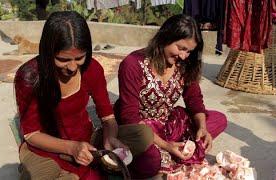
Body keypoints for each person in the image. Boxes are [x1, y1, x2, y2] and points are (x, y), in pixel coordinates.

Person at [14, 11, 153, 180]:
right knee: (35, 176)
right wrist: (71, 148)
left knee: (143, 135)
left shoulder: (92, 69)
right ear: (48, 52)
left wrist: (110, 139)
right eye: (63, 59)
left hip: (87, 140)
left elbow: (108, 117)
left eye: (79, 58)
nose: (72, 68)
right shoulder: (29, 76)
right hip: (45, 148)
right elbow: (32, 134)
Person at [114, 14, 228, 178]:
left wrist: (202, 128)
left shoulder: (184, 65)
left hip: (166, 125)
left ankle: (169, 151)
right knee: (150, 163)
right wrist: (167, 146)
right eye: (181, 48)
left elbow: (194, 100)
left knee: (218, 119)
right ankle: (161, 153)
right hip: (140, 131)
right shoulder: (133, 64)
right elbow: (129, 116)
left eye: (189, 51)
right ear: (165, 37)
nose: (183, 56)